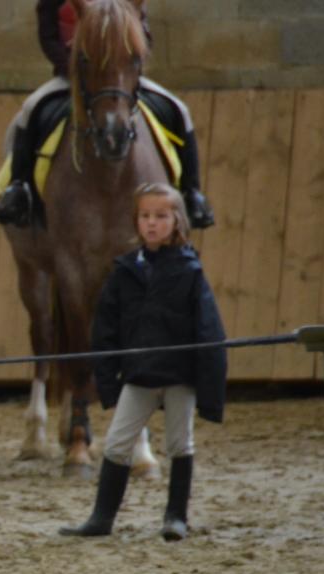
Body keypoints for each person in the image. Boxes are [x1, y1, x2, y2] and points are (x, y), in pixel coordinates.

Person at [60, 182, 226, 541]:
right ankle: (101, 518)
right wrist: (108, 379)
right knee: (118, 444)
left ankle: (175, 517)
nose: (152, 223)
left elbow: (209, 330)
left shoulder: (190, 271)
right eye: (145, 216)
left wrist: (209, 388)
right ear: (136, 221)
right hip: (139, 377)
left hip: (178, 376)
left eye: (161, 216)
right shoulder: (123, 271)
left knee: (181, 443)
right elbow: (106, 329)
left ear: (177, 220)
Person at [0, 0, 215, 231]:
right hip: (77, 74)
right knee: (31, 108)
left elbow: (145, 35)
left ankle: (192, 194)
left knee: (180, 110)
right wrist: (72, 66)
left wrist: (131, 60)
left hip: (120, 77)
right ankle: (19, 188)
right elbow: (48, 37)